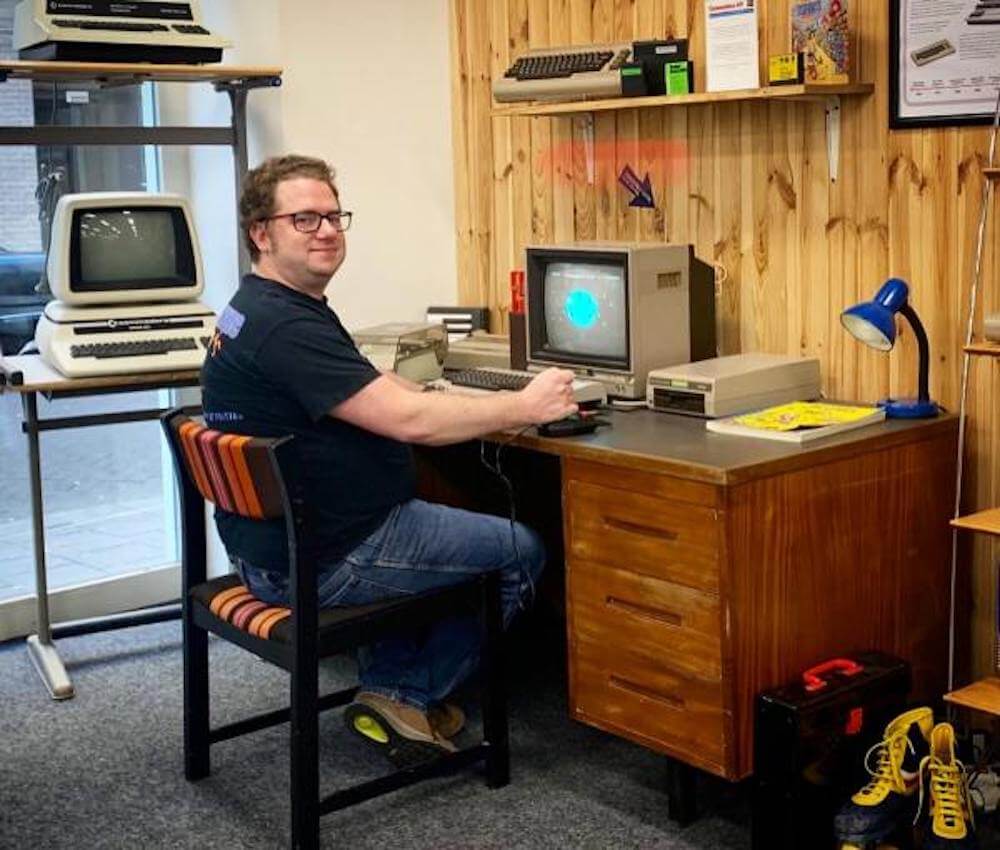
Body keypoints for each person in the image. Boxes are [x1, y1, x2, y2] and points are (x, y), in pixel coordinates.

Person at [201, 154, 577, 763]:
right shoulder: (285, 326)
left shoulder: (261, 307)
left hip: (276, 547)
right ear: (260, 233)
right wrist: (523, 406)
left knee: (440, 509)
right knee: (520, 550)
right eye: (304, 219)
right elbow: (407, 424)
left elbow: (367, 385)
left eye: (332, 216)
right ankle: (404, 691)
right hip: (327, 558)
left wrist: (438, 394)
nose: (325, 230)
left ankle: (394, 677)